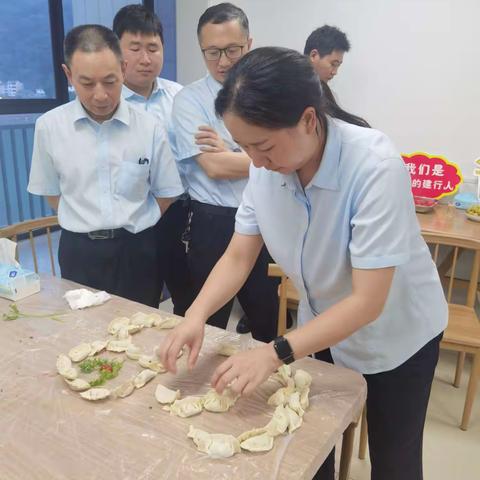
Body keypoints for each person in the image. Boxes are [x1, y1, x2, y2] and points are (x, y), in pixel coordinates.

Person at [159, 47, 447, 480]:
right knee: (309, 442)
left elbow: (368, 301)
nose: (254, 162)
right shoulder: (265, 167)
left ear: (309, 120)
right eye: (244, 147)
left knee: (395, 460)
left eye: (263, 146)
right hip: (321, 328)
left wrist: (276, 351)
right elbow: (240, 254)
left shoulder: (374, 166)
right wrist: (194, 316)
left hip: (397, 335)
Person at [27, 24, 183, 307]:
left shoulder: (148, 126)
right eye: (86, 83)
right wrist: (87, 218)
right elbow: (52, 192)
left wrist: (137, 220)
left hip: (138, 248)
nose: (100, 95)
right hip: (79, 251)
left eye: (110, 81)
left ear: (123, 69)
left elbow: (167, 191)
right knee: (84, 332)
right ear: (68, 75)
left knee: (143, 327)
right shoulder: (49, 127)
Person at [170, 3, 279, 342]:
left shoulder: (271, 95)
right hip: (212, 222)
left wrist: (231, 150)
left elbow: (289, 159)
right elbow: (215, 167)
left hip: (269, 217)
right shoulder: (189, 100)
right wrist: (267, 155)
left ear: (249, 44)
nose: (223, 61)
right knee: (208, 322)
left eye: (232, 50)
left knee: (268, 320)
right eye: (212, 52)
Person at [113, 4, 194, 315]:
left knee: (186, 293)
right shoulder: (109, 102)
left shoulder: (180, 97)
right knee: (140, 297)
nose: (145, 59)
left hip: (179, 213)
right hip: (132, 214)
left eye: (153, 48)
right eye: (134, 48)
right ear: (116, 51)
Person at [304, 25, 370, 128]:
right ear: (314, 55)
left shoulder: (329, 95)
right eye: (333, 64)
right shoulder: (295, 92)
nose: (335, 72)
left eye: (338, 66)